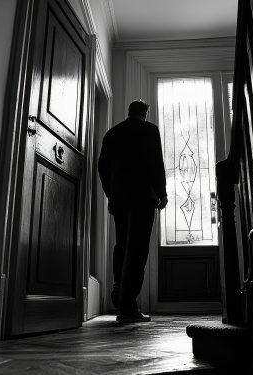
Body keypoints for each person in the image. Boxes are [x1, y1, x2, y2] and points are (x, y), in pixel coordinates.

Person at [98, 100, 168, 323]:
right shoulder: (149, 130)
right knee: (138, 250)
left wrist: (111, 193)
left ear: (128, 112)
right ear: (145, 114)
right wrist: (162, 193)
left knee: (122, 246)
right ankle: (128, 307)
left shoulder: (112, 133)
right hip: (142, 197)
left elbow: (102, 166)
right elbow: (156, 162)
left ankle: (119, 297)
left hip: (120, 198)